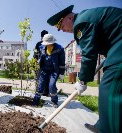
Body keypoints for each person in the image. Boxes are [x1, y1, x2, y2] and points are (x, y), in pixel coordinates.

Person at [47, 5, 122, 133]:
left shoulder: (82, 23)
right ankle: (103, 125)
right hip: (115, 45)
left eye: (62, 26)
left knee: (109, 87)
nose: (62, 30)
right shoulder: (84, 19)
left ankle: (109, 129)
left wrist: (82, 80)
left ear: (70, 18)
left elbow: (88, 54)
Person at [33, 34, 65, 108]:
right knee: (40, 85)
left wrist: (62, 72)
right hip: (44, 69)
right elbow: (40, 55)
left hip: (54, 71)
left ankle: (54, 101)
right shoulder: (42, 47)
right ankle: (35, 101)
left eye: (49, 43)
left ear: (52, 42)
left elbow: (62, 61)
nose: (47, 45)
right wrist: (38, 60)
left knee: (52, 85)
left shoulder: (59, 49)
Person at [33, 30, 50, 96]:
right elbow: (35, 54)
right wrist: (35, 62)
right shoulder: (38, 44)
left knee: (47, 78)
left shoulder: (49, 44)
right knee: (39, 77)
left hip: (48, 64)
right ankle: (38, 91)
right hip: (39, 64)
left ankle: (45, 92)